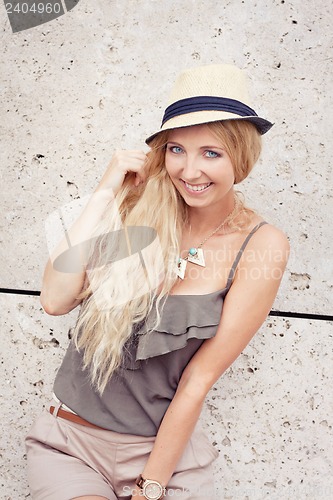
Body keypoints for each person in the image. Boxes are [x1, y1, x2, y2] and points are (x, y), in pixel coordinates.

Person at [26, 64, 289, 500]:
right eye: (176, 149)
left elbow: (197, 381)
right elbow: (55, 300)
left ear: (240, 158)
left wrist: (150, 487)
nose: (189, 170)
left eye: (211, 152)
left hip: (165, 459)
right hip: (71, 445)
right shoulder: (135, 211)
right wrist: (106, 191)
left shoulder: (262, 245)